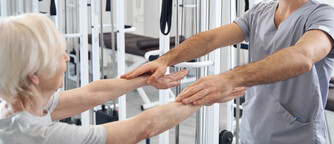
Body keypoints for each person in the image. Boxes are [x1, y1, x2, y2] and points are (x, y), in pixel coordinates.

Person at [123, 0, 334, 144]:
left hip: (297, 137)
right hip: (252, 132)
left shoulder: (323, 15)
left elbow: (302, 56)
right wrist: (165, 60)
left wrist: (229, 79)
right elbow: (210, 40)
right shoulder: (259, 12)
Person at [0, 13, 244, 144]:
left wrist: (146, 77)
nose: (66, 58)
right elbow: (141, 128)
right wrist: (205, 95)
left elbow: (90, 94)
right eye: (57, 54)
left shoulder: (18, 107)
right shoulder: (39, 135)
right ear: (34, 74)